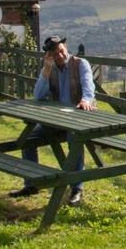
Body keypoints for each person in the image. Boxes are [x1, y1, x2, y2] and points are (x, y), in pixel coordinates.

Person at [7, 35, 96, 205]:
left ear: (66, 48)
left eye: (62, 51)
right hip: (57, 120)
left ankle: (76, 187)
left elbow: (88, 87)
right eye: (55, 54)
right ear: (49, 56)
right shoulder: (50, 69)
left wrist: (85, 100)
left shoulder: (80, 64)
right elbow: (38, 96)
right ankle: (32, 183)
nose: (60, 56)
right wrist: (46, 71)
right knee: (28, 138)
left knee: (74, 138)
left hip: (80, 117)